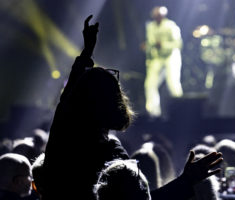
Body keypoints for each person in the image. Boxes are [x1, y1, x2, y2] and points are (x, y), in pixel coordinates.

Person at [42, 15, 223, 200]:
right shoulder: (111, 153)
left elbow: (67, 101)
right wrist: (186, 181)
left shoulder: (62, 140)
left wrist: (86, 53)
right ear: (114, 102)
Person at [144, 6, 183, 117]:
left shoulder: (171, 25)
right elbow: (151, 42)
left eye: (159, 15)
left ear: (163, 15)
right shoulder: (150, 26)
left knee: (173, 84)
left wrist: (163, 45)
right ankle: (153, 114)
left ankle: (180, 111)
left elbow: (178, 44)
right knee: (150, 84)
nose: (157, 17)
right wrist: (147, 47)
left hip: (171, 57)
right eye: (155, 15)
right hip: (157, 58)